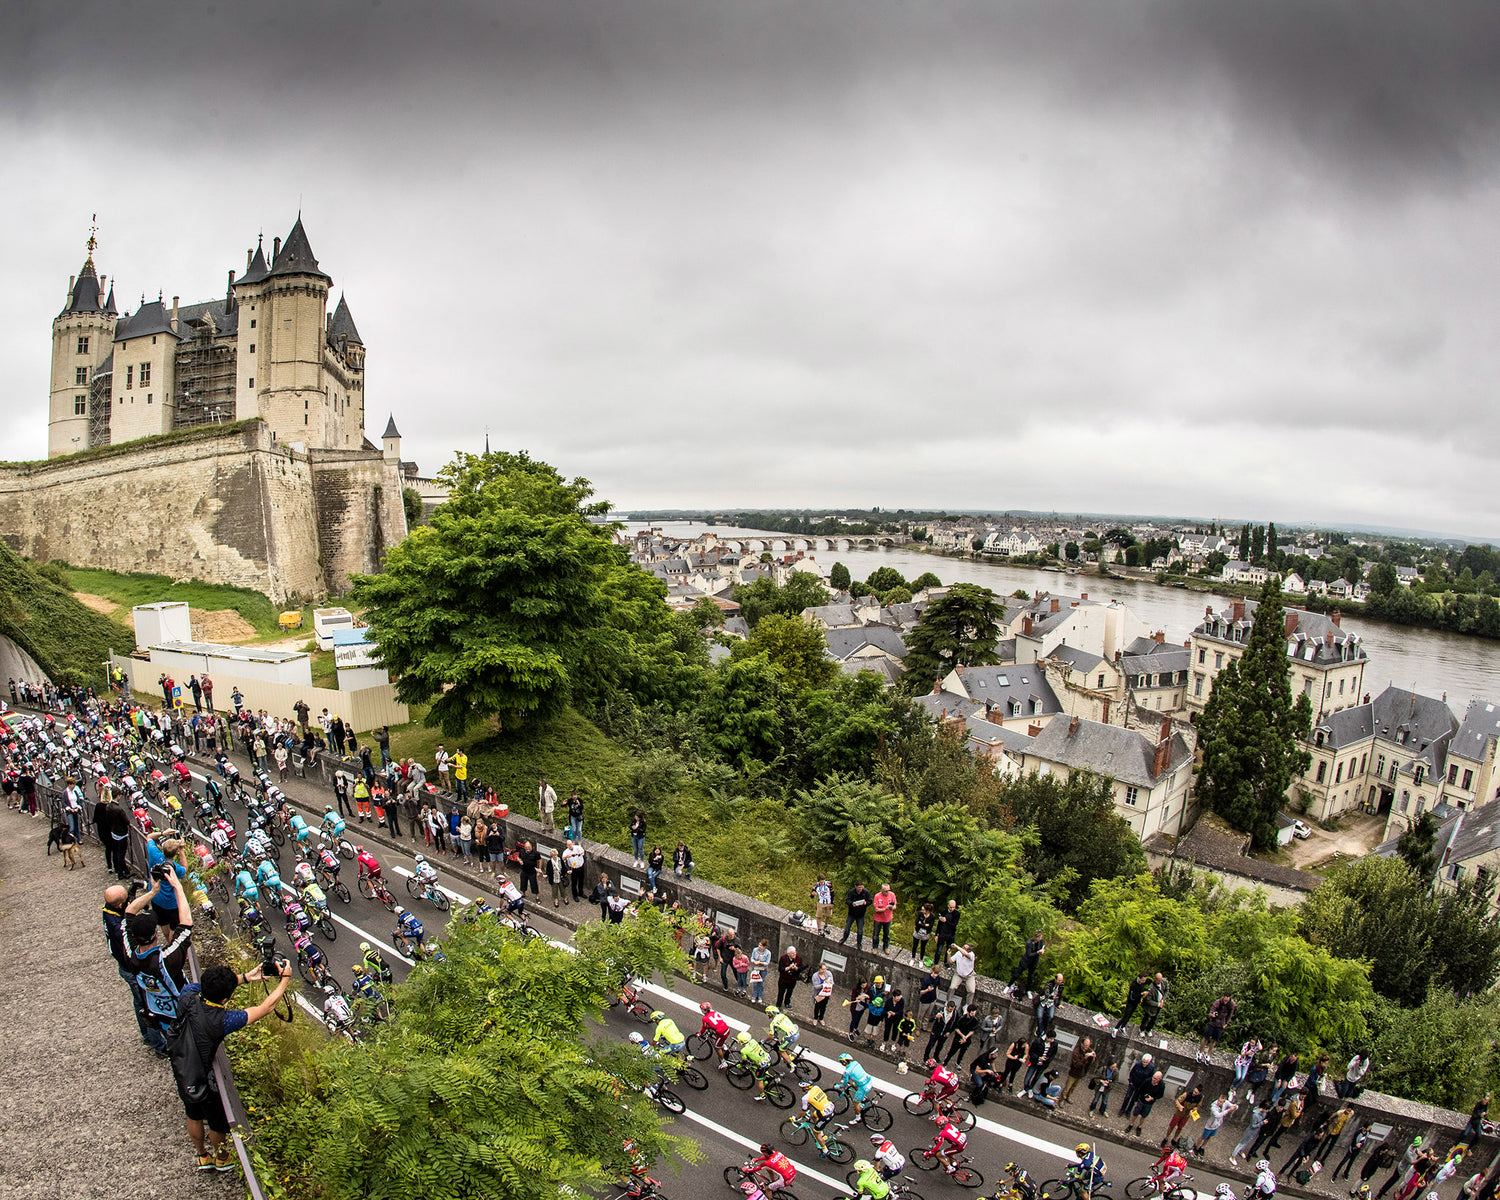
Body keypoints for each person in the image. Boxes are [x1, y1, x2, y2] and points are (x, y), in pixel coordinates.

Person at [169, 960, 293, 1170]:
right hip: (204, 1078)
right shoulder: (222, 1020)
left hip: (182, 1068)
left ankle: (202, 1155)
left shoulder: (189, 994)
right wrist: (285, 980)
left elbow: (208, 986)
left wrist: (245, 977)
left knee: (193, 1114)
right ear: (225, 999)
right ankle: (221, 1157)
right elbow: (265, 1007)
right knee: (217, 1123)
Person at [102, 879, 171, 1054]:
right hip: (133, 969)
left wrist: (132, 891)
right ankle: (159, 1046)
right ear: (120, 905)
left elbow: (127, 908)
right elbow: (130, 912)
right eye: (125, 901)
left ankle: (146, 1035)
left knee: (138, 1001)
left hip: (123, 966)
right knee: (149, 1006)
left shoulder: (108, 910)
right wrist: (153, 892)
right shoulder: (120, 926)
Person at [1197, 994, 1237, 1063]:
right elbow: (1211, 1011)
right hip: (1213, 1023)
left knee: (1214, 1040)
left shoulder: (1231, 1005)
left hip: (1221, 1025)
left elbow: (1230, 1015)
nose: (1226, 1000)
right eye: (1225, 998)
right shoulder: (1218, 1002)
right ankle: (1200, 1052)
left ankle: (1208, 1054)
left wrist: (1226, 1023)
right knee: (1205, 1038)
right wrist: (1212, 1015)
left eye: (1227, 998)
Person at [837, 1052, 875, 1123]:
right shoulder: (856, 1063)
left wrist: (838, 1086)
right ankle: (863, 1099)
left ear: (844, 1062)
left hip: (863, 1087)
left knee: (856, 1102)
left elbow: (844, 1084)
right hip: (868, 1081)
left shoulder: (847, 1072)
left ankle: (858, 1118)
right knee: (853, 1084)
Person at [1008, 931, 1047, 996]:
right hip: (1026, 960)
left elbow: (1041, 947)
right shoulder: (1029, 943)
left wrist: (1042, 950)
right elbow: (1029, 954)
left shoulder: (1040, 941)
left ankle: (1028, 990)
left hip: (1034, 962)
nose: (1041, 938)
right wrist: (1037, 952)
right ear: (1036, 937)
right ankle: (1008, 985)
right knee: (1017, 973)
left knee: (1030, 977)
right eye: (1039, 937)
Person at [871, 882, 897, 951]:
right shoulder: (877, 896)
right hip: (878, 919)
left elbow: (895, 906)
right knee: (876, 934)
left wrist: (891, 907)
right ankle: (875, 947)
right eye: (886, 891)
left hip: (888, 918)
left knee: (887, 934)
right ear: (882, 890)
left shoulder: (892, 895)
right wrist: (885, 908)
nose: (887, 892)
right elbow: (876, 909)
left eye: (889, 890)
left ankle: (886, 947)